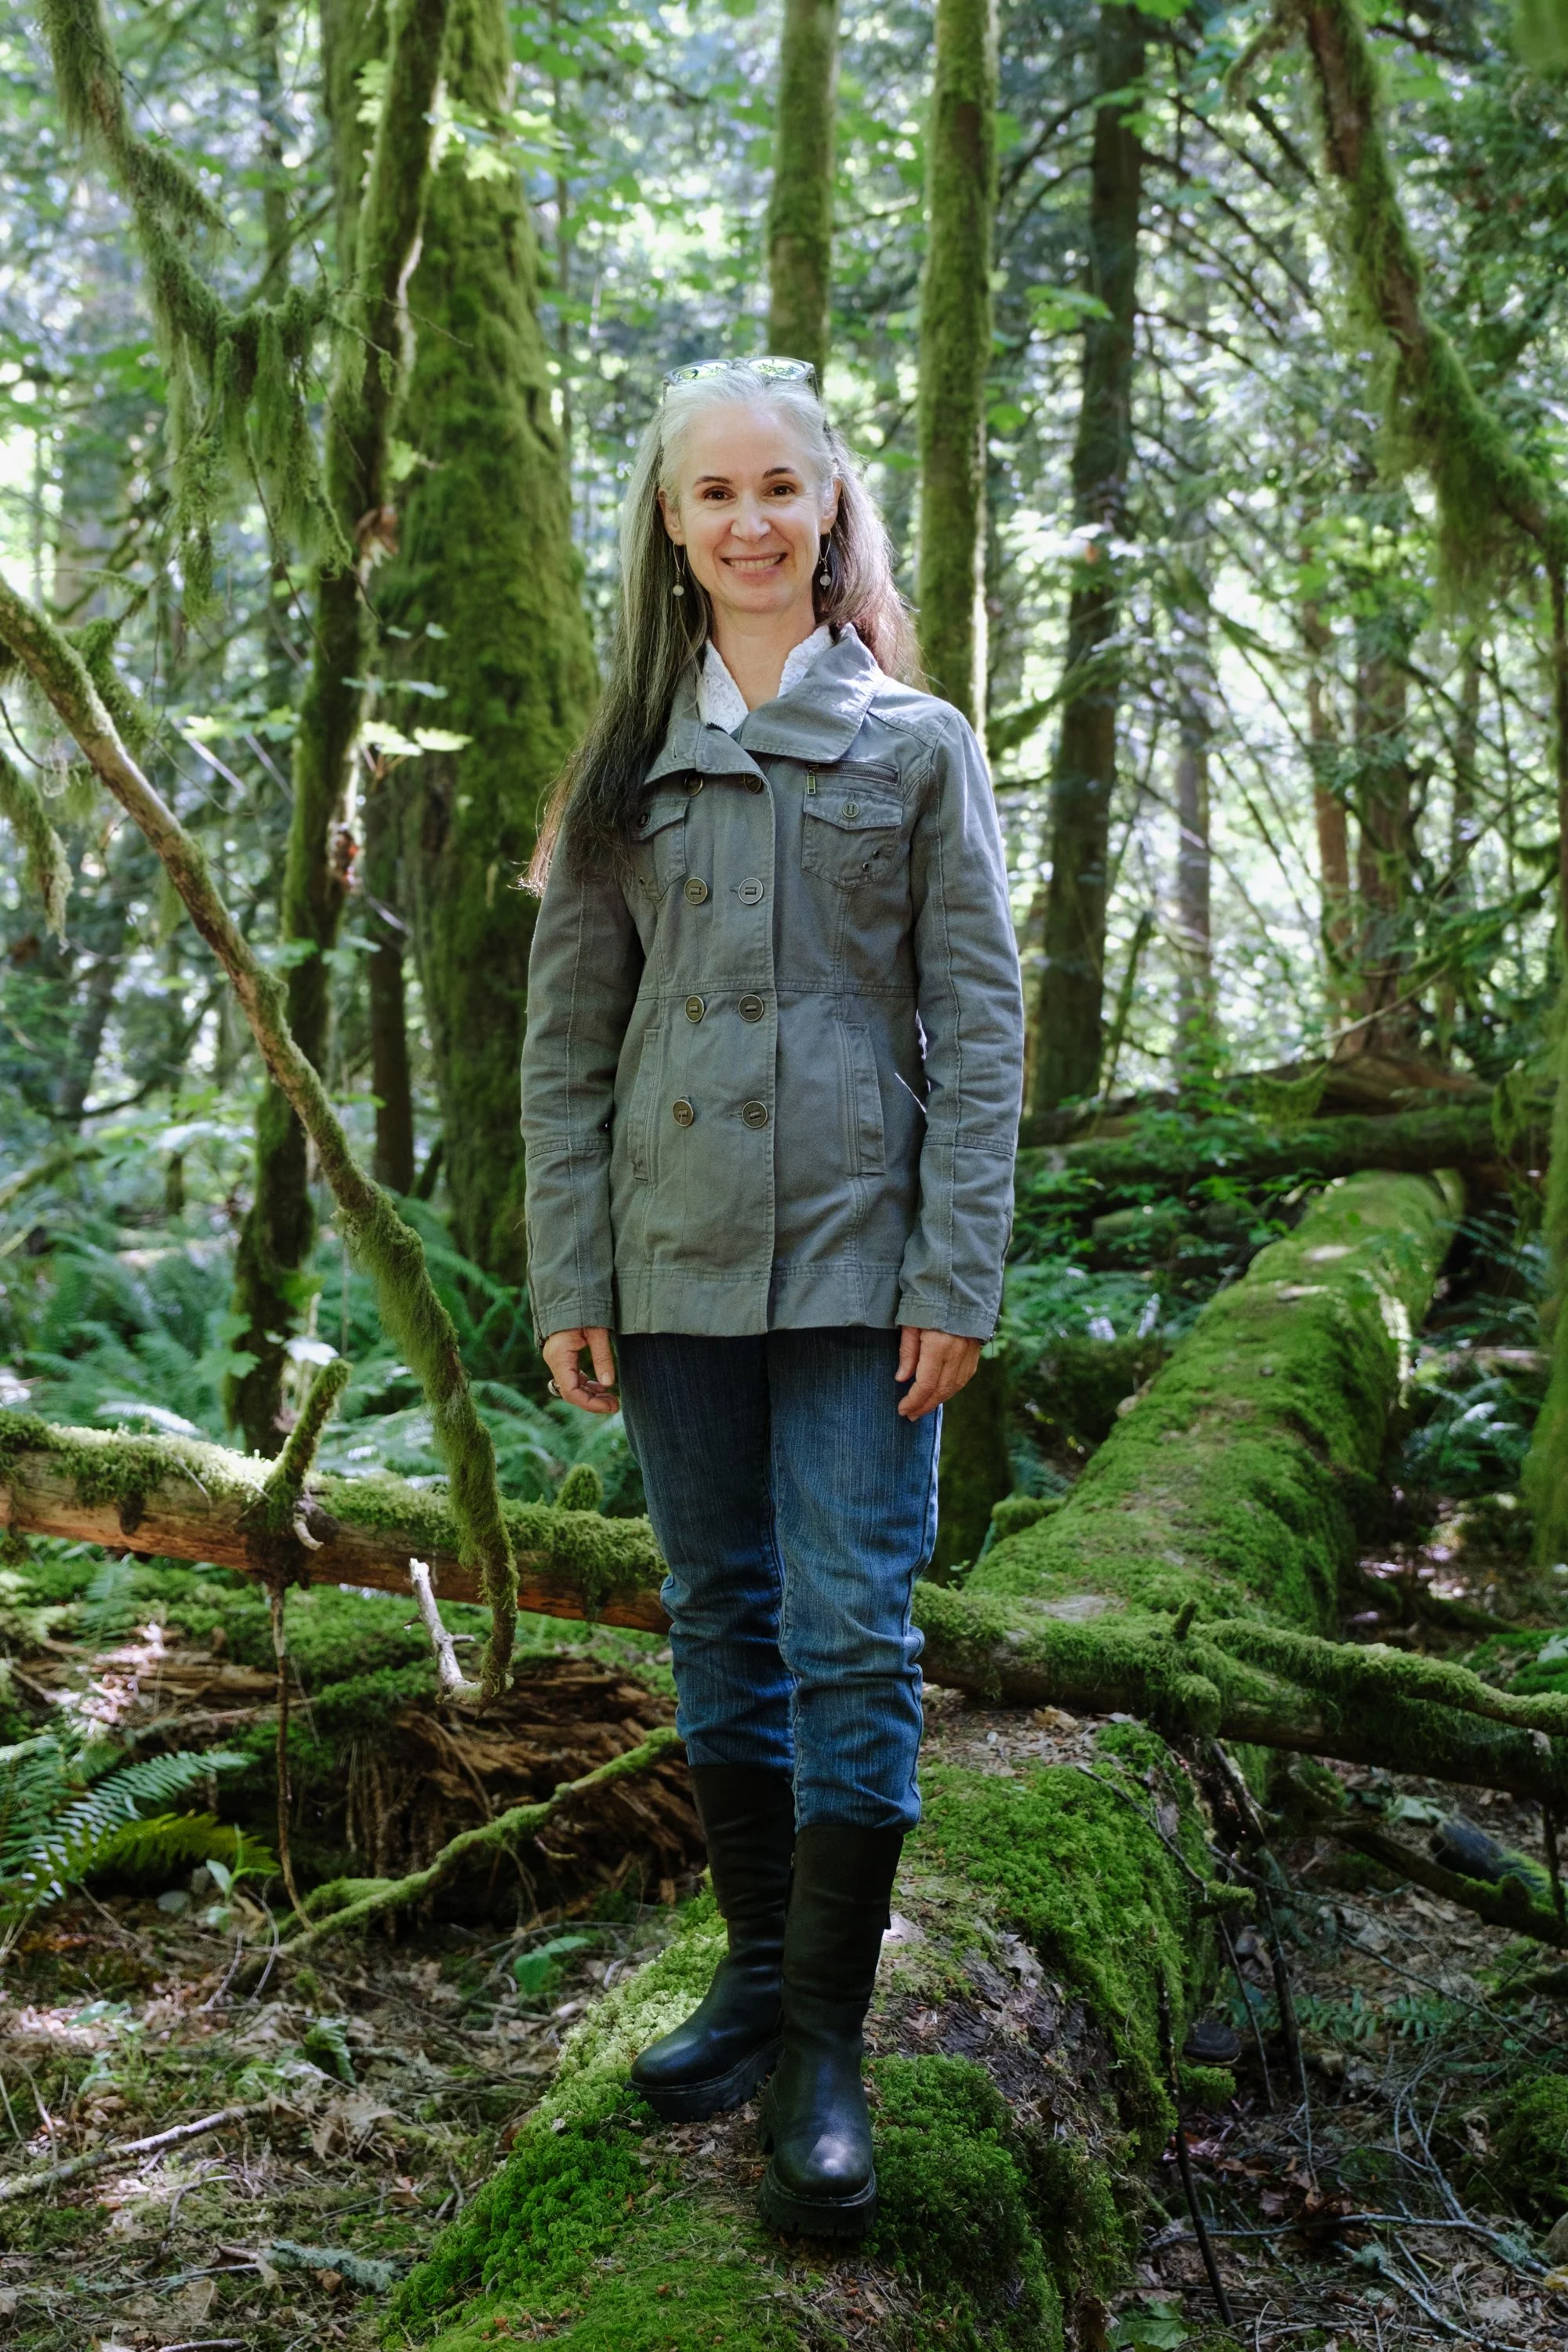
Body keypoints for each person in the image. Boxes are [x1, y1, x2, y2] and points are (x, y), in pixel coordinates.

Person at [520, 357, 1023, 2239]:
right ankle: (748, 1978)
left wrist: (955, 1269)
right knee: (718, 1613)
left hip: (860, 1265)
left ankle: (824, 2042)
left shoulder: (916, 743)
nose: (748, 521)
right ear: (669, 526)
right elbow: (567, 1040)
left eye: (778, 489)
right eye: (712, 493)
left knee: (851, 1630)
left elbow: (980, 1028)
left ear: (830, 512)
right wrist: (571, 1268)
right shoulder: (621, 764)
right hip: (666, 1265)